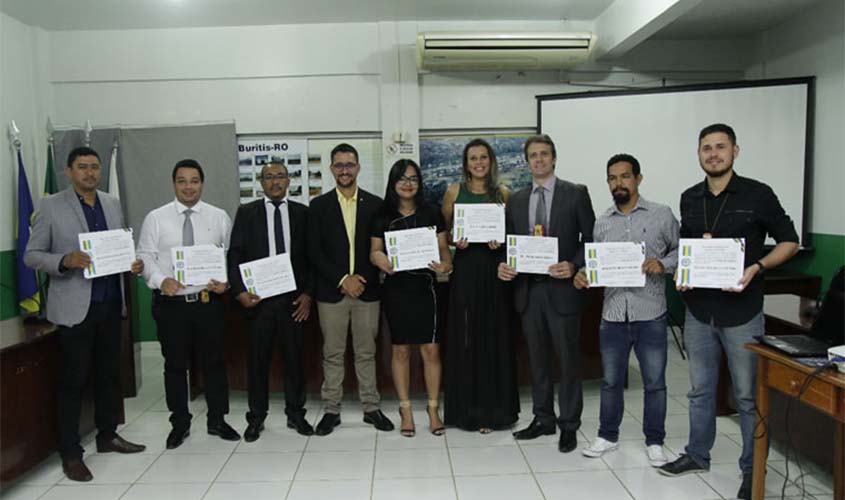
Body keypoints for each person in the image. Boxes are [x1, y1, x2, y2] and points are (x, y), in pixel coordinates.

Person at [658, 124, 799, 500]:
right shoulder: (690, 197)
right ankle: (697, 454)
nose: (713, 154)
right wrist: (684, 273)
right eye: (706, 148)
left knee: (748, 396)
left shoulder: (758, 194)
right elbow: (688, 246)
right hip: (699, 311)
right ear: (699, 154)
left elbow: (790, 241)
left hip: (743, 312)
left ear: (735, 151)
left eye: (720, 147)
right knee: (699, 391)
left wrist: (758, 267)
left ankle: (752, 470)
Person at [25, 146, 146, 482]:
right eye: (82, 167)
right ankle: (71, 452)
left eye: (94, 167)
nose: (90, 173)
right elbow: (32, 255)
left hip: (110, 303)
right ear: (68, 171)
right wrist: (64, 260)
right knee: (73, 381)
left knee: (108, 375)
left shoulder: (111, 203)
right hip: (74, 308)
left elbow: (117, 247)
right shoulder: (51, 206)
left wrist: (131, 263)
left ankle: (107, 435)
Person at [573, 153, 679, 466]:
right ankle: (607, 436)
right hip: (614, 314)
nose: (618, 183)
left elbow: (682, 251)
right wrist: (583, 275)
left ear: (638, 179)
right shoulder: (602, 222)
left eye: (625, 176)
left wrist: (663, 264)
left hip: (651, 312)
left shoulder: (662, 214)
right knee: (610, 382)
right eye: (612, 178)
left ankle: (655, 440)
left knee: (654, 383)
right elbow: (597, 265)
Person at [498, 134, 595, 453]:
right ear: (527, 162)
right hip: (529, 292)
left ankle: (569, 424)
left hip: (562, 290)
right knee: (537, 361)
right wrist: (505, 265)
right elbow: (510, 243)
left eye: (544, 154)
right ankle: (543, 419)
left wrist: (574, 264)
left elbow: (591, 239)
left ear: (554, 158)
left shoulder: (575, 193)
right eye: (533, 155)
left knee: (568, 362)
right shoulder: (516, 200)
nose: (538, 160)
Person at [137, 158, 240, 449]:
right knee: (174, 365)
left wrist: (226, 282)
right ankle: (179, 423)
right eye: (182, 181)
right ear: (174, 184)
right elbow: (145, 256)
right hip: (171, 305)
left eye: (194, 181)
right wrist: (161, 280)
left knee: (214, 363)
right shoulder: (156, 218)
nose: (188, 187)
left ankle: (217, 420)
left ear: (202, 184)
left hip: (208, 302)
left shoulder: (218, 216)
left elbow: (231, 255)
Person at [308, 143, 394, 436]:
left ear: (358, 168)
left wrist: (359, 279)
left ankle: (371, 408)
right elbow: (314, 251)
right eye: (339, 165)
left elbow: (380, 247)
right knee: (332, 353)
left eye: (349, 164)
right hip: (331, 293)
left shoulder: (376, 204)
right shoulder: (318, 206)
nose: (344, 170)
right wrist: (343, 279)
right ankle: (331, 410)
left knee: (366, 353)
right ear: (331, 169)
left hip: (367, 291)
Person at [227, 161, 314, 442]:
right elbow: (235, 255)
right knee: (257, 361)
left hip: (293, 302)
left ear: (289, 181)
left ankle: (295, 413)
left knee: (295, 360)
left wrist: (308, 294)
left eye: (280, 176)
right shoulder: (246, 212)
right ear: (261, 182)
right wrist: (239, 292)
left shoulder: (303, 213)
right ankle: (256, 417)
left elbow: (313, 256)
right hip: (258, 301)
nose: (275, 182)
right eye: (269, 177)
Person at [440, 138, 519, 433]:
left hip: (494, 270)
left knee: (494, 336)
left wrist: (501, 240)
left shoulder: (504, 193)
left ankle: (494, 412)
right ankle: (466, 411)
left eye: (483, 157)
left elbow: (512, 234)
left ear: (491, 161)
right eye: (473, 158)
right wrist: (455, 240)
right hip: (465, 270)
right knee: (466, 338)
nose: (479, 163)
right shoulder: (453, 192)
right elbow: (444, 233)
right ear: (466, 164)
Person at [370, 159, 453, 437]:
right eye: (402, 179)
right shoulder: (382, 214)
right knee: (401, 350)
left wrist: (446, 264)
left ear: (420, 183)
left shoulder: (432, 211)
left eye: (413, 179)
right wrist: (381, 260)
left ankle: (433, 408)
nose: (408, 184)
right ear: (393, 182)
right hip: (397, 289)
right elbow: (374, 251)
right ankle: (405, 409)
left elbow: (443, 248)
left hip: (427, 289)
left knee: (431, 350)